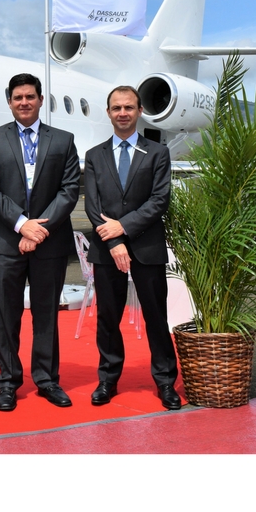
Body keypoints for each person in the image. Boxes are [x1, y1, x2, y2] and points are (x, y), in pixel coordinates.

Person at [0, 73, 80, 411]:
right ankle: (8, 382)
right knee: (6, 316)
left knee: (46, 314)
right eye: (18, 97)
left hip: (49, 243)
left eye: (30, 97)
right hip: (5, 242)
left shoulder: (63, 140)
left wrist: (39, 229)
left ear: (40, 100)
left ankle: (47, 380)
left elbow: (69, 190)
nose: (24, 102)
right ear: (9, 101)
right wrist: (23, 225)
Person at [83, 85, 181, 410]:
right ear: (108, 112)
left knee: (156, 317)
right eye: (116, 108)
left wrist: (123, 228)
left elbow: (159, 200)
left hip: (146, 248)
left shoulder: (157, 153)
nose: (122, 113)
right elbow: (93, 205)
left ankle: (166, 382)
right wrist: (113, 241)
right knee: (108, 319)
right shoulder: (94, 155)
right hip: (107, 250)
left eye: (128, 107)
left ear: (139, 111)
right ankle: (108, 380)